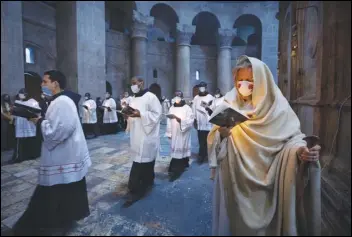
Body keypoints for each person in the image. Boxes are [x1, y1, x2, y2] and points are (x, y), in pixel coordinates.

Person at [208, 56, 322, 236]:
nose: (243, 85)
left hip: (269, 185)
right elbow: (216, 145)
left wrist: (302, 152)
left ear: (262, 81)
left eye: (250, 81)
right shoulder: (229, 104)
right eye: (240, 81)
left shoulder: (278, 108)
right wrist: (221, 137)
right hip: (234, 181)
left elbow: (292, 139)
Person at [13, 70, 91, 236]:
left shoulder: (61, 102)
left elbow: (61, 129)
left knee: (54, 188)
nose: (42, 85)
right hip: (67, 154)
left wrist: (38, 121)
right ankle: (64, 218)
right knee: (65, 187)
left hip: (63, 155)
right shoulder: (59, 101)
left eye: (45, 81)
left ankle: (45, 224)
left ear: (55, 83)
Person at [123, 76, 162, 208]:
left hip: (147, 134)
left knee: (142, 160)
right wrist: (127, 115)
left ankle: (135, 190)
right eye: (131, 83)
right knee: (142, 159)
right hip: (136, 134)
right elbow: (132, 114)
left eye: (134, 83)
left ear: (141, 82)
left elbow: (157, 114)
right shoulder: (133, 98)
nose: (133, 85)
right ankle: (148, 181)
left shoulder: (151, 96)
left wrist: (141, 114)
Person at [165, 90, 194, 181]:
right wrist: (169, 132)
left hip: (183, 132)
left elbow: (191, 120)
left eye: (179, 95)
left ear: (182, 97)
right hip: (174, 131)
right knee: (176, 148)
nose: (177, 97)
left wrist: (181, 121)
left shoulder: (187, 108)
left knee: (182, 147)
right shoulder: (171, 108)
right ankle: (183, 163)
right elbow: (168, 121)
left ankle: (177, 169)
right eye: (175, 95)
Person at [11, 88, 41, 163]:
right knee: (20, 140)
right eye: (20, 93)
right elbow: (13, 114)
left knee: (30, 140)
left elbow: (38, 113)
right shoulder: (17, 102)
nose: (22, 95)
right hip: (20, 124)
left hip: (29, 124)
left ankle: (31, 155)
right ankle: (19, 157)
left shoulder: (33, 102)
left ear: (27, 94)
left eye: (23, 93)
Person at [192, 81, 214, 164]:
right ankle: (201, 155)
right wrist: (194, 119)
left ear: (205, 87)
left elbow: (213, 108)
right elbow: (193, 108)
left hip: (208, 122)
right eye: (200, 87)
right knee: (201, 140)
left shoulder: (210, 97)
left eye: (203, 87)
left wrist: (207, 108)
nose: (201, 88)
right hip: (199, 122)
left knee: (208, 140)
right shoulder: (196, 98)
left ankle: (209, 155)